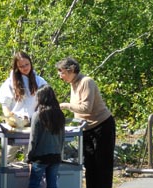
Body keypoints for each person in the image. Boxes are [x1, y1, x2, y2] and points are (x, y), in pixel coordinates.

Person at [55, 57, 116, 188]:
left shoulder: (86, 82)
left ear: (71, 70)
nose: (59, 76)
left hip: (102, 126)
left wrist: (65, 105)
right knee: (90, 165)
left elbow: (86, 108)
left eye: (61, 72)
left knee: (102, 166)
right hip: (86, 129)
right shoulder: (73, 84)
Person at [27, 84, 65, 188]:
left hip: (40, 157)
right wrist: (59, 154)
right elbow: (62, 137)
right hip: (55, 156)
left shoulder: (38, 115)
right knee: (52, 184)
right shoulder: (60, 115)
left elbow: (33, 139)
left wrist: (29, 157)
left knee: (34, 184)